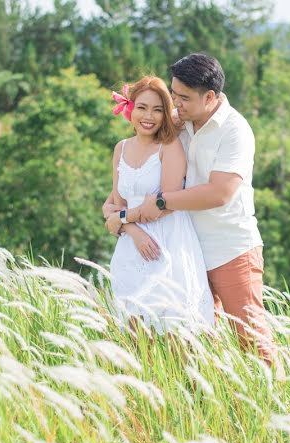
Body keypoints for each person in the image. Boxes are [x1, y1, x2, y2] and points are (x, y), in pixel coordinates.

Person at [105, 53, 276, 365]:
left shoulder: (235, 130)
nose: (175, 103)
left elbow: (219, 193)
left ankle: (281, 405)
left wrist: (160, 202)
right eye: (173, 94)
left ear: (209, 97)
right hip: (184, 247)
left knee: (251, 339)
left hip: (229, 249)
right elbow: (129, 175)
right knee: (194, 343)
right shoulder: (178, 124)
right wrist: (122, 216)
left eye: (183, 98)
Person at [102, 75, 215, 333]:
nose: (149, 116)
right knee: (133, 330)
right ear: (130, 109)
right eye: (142, 107)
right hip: (132, 246)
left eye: (157, 110)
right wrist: (131, 230)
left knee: (173, 329)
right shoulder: (121, 148)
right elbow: (116, 203)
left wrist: (118, 218)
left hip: (167, 241)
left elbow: (165, 204)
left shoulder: (169, 146)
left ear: (166, 114)